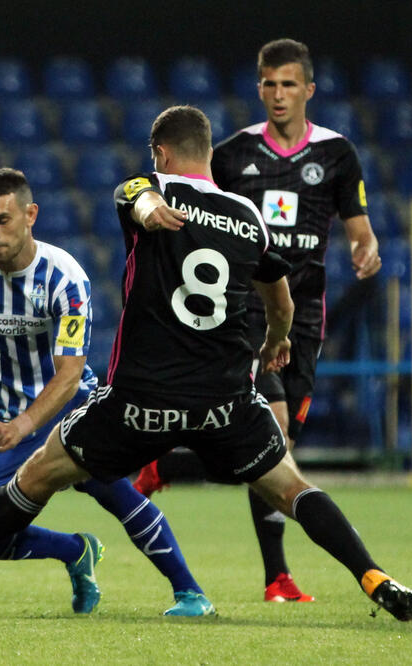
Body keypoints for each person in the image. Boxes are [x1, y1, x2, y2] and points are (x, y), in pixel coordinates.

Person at [0, 107, 412, 623]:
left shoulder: (147, 188)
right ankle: (374, 576)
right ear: (208, 154)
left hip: (141, 400)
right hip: (223, 402)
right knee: (293, 489)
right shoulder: (247, 217)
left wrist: (149, 206)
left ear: (161, 153)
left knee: (39, 473)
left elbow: (138, 195)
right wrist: (277, 341)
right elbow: (282, 301)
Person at [133, 38, 383, 604]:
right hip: (248, 311)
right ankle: (277, 577)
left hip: (305, 316)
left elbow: (359, 227)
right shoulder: (233, 154)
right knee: (272, 430)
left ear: (308, 90)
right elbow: (198, 212)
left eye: (289, 84)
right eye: (269, 84)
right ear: (260, 88)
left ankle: (169, 460)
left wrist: (364, 249)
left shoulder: (337, 153)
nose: (278, 94)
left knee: (278, 443)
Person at [0, 166, 214, 616]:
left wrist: (25, 425)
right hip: (2, 417)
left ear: (30, 215)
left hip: (71, 409)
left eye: (2, 220)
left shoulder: (65, 278)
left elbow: (69, 375)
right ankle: (75, 551)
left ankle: (190, 592)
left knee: (114, 493)